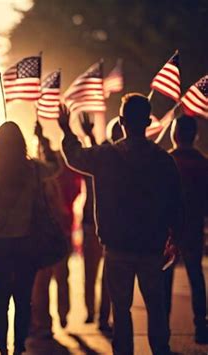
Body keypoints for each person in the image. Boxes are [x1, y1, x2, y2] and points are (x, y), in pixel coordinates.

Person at [58, 94, 183, 355]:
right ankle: (161, 349)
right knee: (156, 307)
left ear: (123, 122)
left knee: (121, 310)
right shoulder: (163, 160)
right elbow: (176, 202)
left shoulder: (106, 156)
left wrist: (67, 130)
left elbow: (74, 156)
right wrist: (175, 237)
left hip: (117, 248)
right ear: (147, 122)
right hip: (152, 247)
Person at [0, 122, 59, 355]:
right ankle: (19, 347)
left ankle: (2, 348)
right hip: (26, 241)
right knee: (23, 298)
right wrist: (43, 139)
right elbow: (55, 167)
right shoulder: (32, 169)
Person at [31, 123, 79, 337]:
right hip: (47, 236)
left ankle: (60, 313)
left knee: (57, 277)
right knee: (43, 281)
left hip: (57, 234)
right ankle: (46, 321)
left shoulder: (58, 175)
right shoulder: (35, 176)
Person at [165, 115, 208, 344]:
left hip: (169, 231)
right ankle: (201, 325)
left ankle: (162, 329)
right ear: (195, 135)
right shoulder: (204, 163)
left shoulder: (167, 162)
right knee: (196, 277)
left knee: (165, 280)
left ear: (175, 134)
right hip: (194, 229)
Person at [80, 115, 116, 332]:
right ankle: (99, 315)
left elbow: (92, 158)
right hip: (103, 223)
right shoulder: (117, 161)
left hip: (95, 223)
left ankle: (94, 313)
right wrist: (90, 136)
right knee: (103, 273)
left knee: (92, 272)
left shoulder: (106, 160)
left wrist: (89, 136)